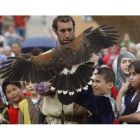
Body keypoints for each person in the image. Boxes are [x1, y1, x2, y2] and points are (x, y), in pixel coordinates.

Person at [37, 16, 88, 124]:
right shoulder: (45, 57)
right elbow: (37, 87)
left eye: (70, 30)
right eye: (62, 30)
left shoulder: (87, 57)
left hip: (80, 121)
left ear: (74, 30)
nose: (67, 34)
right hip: (54, 121)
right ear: (55, 31)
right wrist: (52, 86)